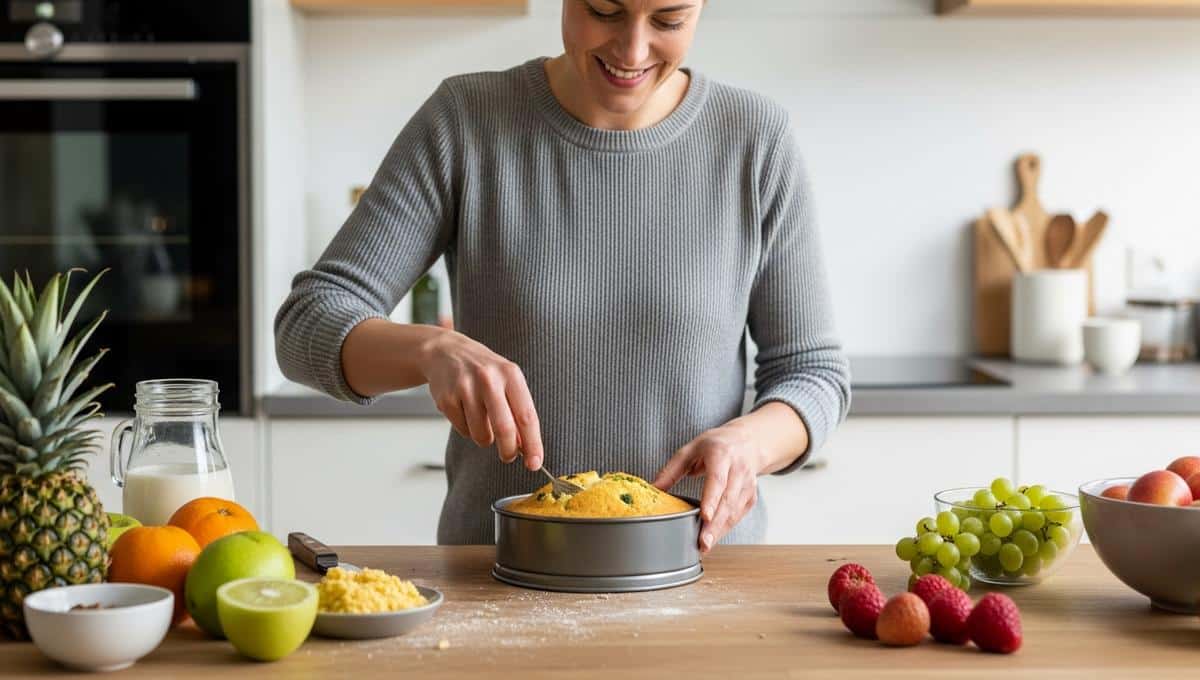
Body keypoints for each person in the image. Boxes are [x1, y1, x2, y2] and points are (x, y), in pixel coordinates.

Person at [275, 0, 851, 551]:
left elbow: (814, 374)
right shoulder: (466, 121)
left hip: (700, 573)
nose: (632, 49)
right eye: (604, 11)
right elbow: (306, 324)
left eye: (669, 19)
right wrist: (429, 350)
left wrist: (750, 444)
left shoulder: (756, 140)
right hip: (500, 574)